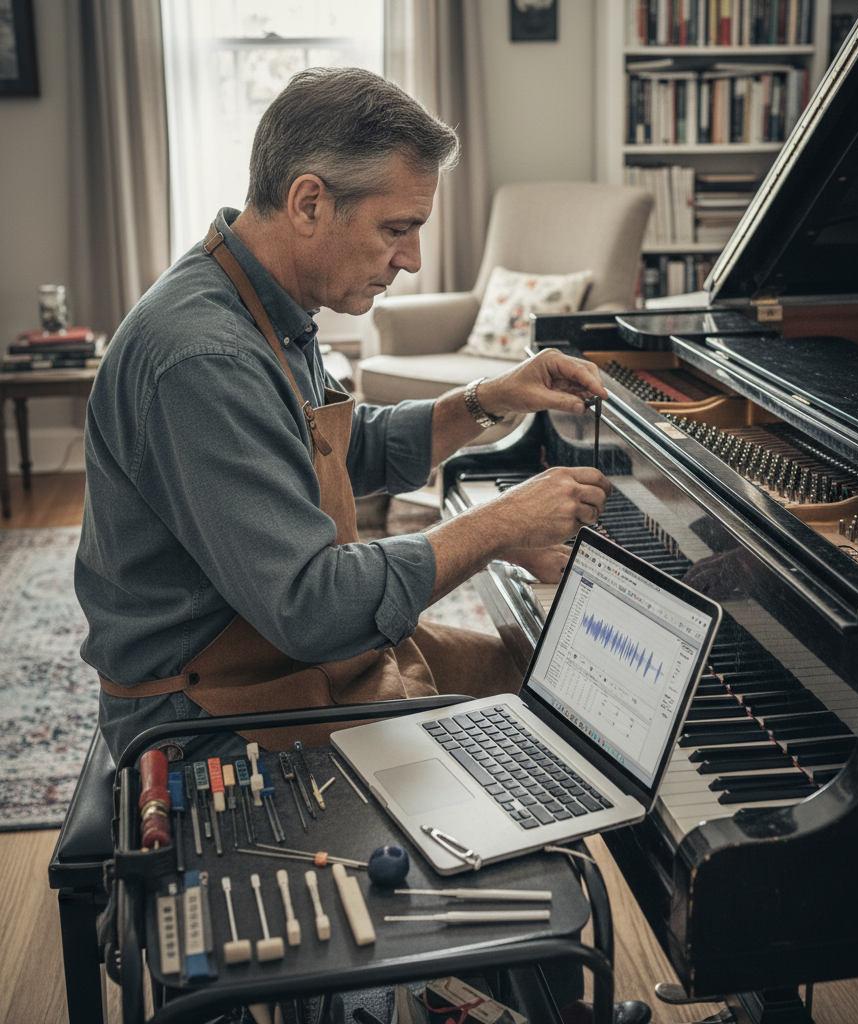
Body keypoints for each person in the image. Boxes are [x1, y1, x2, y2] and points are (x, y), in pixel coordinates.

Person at [76, 67, 611, 765]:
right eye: (397, 228)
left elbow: (343, 449)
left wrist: (490, 398)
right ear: (308, 203)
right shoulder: (204, 355)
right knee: (542, 740)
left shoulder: (264, 304)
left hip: (279, 661)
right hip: (205, 714)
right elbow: (313, 608)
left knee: (555, 683)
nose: (412, 260)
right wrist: (497, 526)